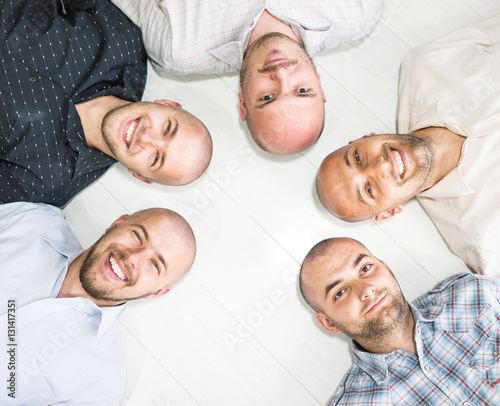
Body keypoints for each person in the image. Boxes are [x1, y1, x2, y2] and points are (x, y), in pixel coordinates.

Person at [316, 8, 500, 277]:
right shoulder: (485, 240)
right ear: (389, 211)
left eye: (357, 158)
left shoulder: (426, 66)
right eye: (369, 189)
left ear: (364, 138)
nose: (380, 165)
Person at [0, 0, 213, 206]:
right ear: (168, 104)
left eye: (156, 158)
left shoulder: (46, 185)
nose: (146, 137)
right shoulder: (124, 43)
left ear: (139, 175)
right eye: (167, 128)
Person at [110, 0, 384, 155]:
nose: (280, 75)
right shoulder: (357, 11)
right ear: (319, 84)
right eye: (302, 90)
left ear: (243, 103)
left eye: (267, 97)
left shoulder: (179, 47)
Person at [0, 201, 196, 405]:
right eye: (137, 236)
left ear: (156, 293)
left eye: (155, 264)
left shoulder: (101, 387)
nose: (133, 257)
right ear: (116, 223)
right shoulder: (34, 221)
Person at [299, 237, 500, 405]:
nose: (366, 290)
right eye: (340, 292)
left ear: (387, 268)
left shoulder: (474, 294)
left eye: (365, 268)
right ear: (329, 323)